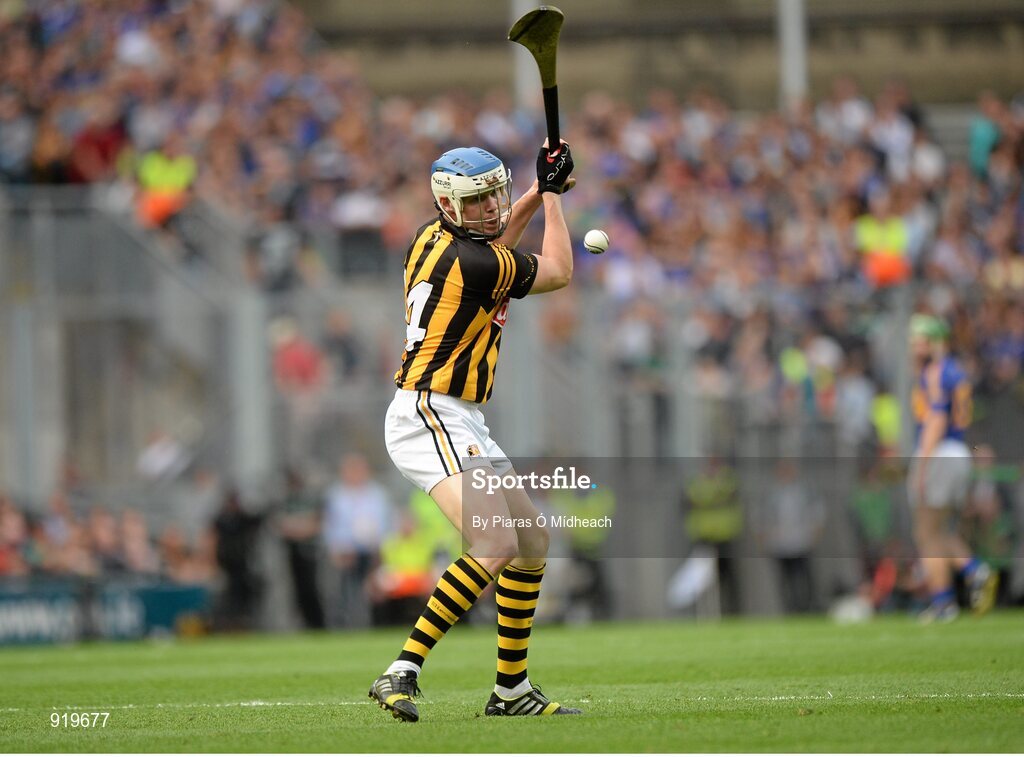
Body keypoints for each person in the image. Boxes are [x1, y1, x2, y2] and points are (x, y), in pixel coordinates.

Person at [368, 141, 580, 722]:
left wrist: (537, 191)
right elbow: (558, 272)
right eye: (478, 201)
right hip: (428, 413)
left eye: (497, 196)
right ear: (448, 205)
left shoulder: (432, 238)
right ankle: (401, 670)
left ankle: (510, 690)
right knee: (494, 543)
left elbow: (498, 243)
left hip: (454, 414)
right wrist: (556, 202)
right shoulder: (477, 262)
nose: (492, 209)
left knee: (531, 541)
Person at [908, 314, 998, 622]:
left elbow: (936, 419)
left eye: (920, 340)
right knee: (938, 529)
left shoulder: (934, 372)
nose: (915, 347)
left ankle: (953, 590)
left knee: (926, 531)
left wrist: (922, 465)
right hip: (957, 451)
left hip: (939, 452)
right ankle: (962, 581)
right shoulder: (956, 371)